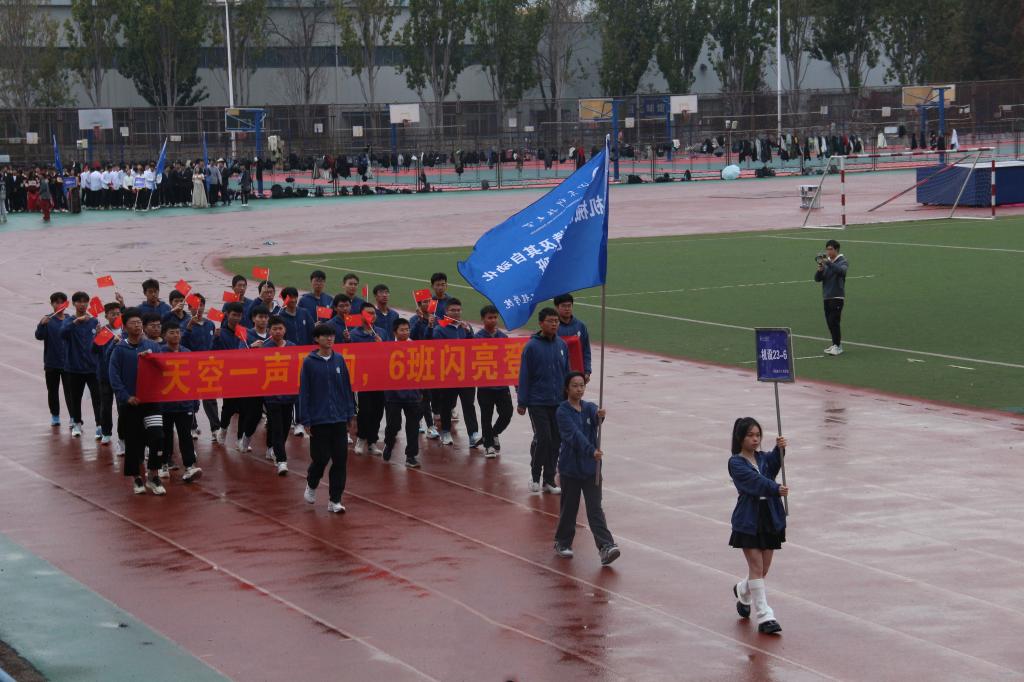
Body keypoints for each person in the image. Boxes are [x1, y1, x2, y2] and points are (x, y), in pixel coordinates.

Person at [728, 417, 788, 635]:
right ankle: (764, 615)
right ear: (740, 438)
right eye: (750, 435)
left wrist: (780, 449)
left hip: (769, 517)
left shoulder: (762, 458)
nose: (755, 439)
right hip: (749, 519)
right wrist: (775, 489)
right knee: (756, 567)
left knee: (762, 570)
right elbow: (756, 483)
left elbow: (773, 465)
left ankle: (743, 590)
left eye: (758, 435)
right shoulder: (735, 463)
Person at [553, 372, 620, 566]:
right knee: (569, 508)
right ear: (567, 388)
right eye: (574, 385)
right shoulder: (562, 412)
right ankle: (562, 541)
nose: (579, 389)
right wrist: (591, 451)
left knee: (595, 508)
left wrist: (600, 416)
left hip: (591, 469)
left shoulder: (589, 407)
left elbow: (596, 418)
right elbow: (574, 436)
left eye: (581, 385)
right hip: (571, 469)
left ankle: (606, 546)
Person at [299, 323, 356, 513]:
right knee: (321, 458)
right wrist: (305, 419)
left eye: (331, 335)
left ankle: (335, 500)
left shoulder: (339, 359)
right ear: (316, 339)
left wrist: (350, 412)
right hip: (319, 418)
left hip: (338, 418)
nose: (329, 338)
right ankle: (312, 482)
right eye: (325, 336)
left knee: (340, 460)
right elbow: (305, 392)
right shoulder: (309, 362)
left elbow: (346, 388)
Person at [108, 308, 165, 495]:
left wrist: (152, 359)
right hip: (131, 404)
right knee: (134, 442)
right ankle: (137, 478)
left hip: (151, 403)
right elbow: (114, 376)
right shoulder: (119, 349)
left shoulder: (152, 346)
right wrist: (126, 397)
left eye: (139, 322)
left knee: (157, 436)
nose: (138, 326)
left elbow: (164, 368)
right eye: (133, 323)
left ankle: (153, 475)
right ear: (125, 327)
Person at [518, 307, 569, 494]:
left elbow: (566, 373)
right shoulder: (531, 347)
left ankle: (549, 480)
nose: (554, 324)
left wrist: (569, 398)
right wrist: (522, 402)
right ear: (541, 323)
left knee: (556, 440)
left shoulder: (562, 345)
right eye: (550, 321)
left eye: (556, 321)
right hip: (538, 402)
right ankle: (534, 476)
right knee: (544, 438)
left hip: (558, 402)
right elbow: (525, 375)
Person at [427, 298, 480, 447]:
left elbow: (473, 347)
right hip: (449, 373)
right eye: (453, 310)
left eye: (458, 310)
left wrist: (469, 333)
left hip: (466, 373)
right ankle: (445, 431)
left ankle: (473, 434)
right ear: (446, 312)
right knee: (447, 404)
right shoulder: (440, 329)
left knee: (468, 404)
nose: (456, 313)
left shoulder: (466, 327)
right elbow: (439, 350)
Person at [159, 323, 202, 482]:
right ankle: (163, 463)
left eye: (178, 332)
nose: (176, 335)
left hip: (184, 404)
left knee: (185, 436)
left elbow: (193, 378)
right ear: (165, 335)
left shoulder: (187, 353)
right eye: (172, 332)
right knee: (165, 435)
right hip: (165, 404)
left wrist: (195, 400)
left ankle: (189, 466)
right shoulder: (159, 353)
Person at [60, 291, 102, 439]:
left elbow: (99, 343)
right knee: (75, 397)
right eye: (79, 301)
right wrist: (75, 323)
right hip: (74, 367)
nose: (82, 304)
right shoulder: (69, 321)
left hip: (92, 367)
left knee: (97, 398)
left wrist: (99, 334)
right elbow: (62, 334)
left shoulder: (93, 321)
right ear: (74, 304)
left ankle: (99, 425)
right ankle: (77, 423)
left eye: (85, 301)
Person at [382, 318, 422, 468]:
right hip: (393, 395)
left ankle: (411, 455)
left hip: (413, 394)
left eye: (407, 329)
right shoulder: (388, 347)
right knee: (393, 425)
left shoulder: (416, 347)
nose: (405, 332)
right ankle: (389, 443)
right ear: (395, 332)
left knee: (413, 426)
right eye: (402, 330)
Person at [474, 305, 513, 458]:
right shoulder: (477, 338)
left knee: (507, 413)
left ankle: (492, 434)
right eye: (489, 318)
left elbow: (509, 359)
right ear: (483, 319)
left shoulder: (503, 337)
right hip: (485, 385)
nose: (493, 320)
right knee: (486, 416)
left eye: (495, 317)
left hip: (502, 385)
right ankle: (489, 445)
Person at [183, 293, 220, 442]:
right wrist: (188, 329)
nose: (198, 308)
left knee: (210, 398)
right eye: (195, 306)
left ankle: (215, 428)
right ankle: (192, 427)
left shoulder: (210, 324)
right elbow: (181, 345)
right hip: (191, 366)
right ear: (189, 307)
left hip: (208, 367)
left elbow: (212, 345)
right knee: (191, 398)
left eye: (201, 305)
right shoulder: (185, 324)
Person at [350, 307, 386, 456]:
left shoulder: (381, 332)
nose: (372, 315)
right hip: (362, 378)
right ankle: (361, 438)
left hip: (379, 378)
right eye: (368, 313)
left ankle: (372, 441)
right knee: (365, 410)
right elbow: (351, 354)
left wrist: (381, 345)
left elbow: (390, 353)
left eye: (373, 313)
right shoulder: (354, 334)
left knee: (378, 411)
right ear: (361, 316)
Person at [35, 292, 69, 427]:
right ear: (52, 304)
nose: (59, 305)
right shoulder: (47, 320)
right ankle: (55, 416)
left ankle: (73, 417)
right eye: (56, 302)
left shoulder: (70, 320)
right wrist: (41, 324)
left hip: (68, 363)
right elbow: (39, 336)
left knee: (70, 392)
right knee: (53, 391)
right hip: (51, 362)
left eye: (62, 302)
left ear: (66, 304)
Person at [95, 302, 124, 451]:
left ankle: (122, 437)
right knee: (105, 406)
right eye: (112, 314)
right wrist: (97, 336)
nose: (116, 316)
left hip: (121, 376)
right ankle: (106, 432)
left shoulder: (125, 330)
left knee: (122, 407)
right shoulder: (103, 332)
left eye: (118, 313)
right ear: (106, 316)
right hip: (105, 375)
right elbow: (95, 351)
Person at [814, 239, 848, 356]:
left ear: (836, 250)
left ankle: (837, 346)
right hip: (827, 296)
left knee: (834, 321)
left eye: (830, 249)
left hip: (837, 296)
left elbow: (841, 272)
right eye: (827, 249)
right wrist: (820, 270)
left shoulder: (843, 261)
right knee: (829, 322)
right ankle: (836, 344)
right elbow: (817, 279)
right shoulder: (827, 262)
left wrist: (828, 263)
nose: (828, 251)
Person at [554, 294, 592, 382]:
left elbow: (586, 350)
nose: (567, 309)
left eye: (569, 306)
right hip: (558, 374)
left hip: (577, 374)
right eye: (564, 306)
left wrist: (587, 371)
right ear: (556, 307)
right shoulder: (553, 327)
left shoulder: (581, 326)